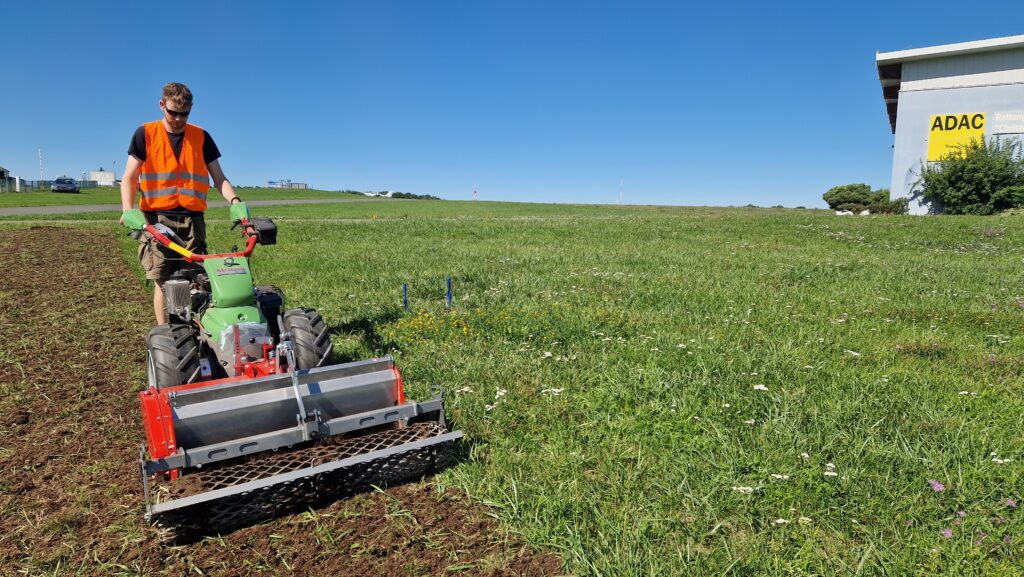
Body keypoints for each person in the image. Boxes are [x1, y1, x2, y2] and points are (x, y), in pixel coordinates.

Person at [120, 82, 250, 325]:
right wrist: (128, 209)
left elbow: (219, 178)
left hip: (192, 218)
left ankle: (191, 330)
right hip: (156, 219)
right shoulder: (145, 133)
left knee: (194, 278)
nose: (178, 119)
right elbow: (128, 176)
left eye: (184, 114)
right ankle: (166, 335)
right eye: (173, 112)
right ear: (162, 106)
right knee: (163, 279)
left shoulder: (201, 137)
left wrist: (235, 201)